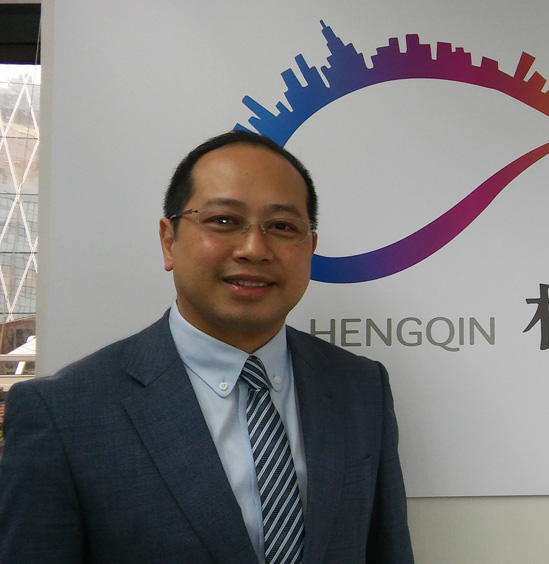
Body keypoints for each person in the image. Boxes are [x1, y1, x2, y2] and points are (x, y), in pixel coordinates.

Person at [0, 131, 414, 563]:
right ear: (169, 241)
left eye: (282, 227)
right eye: (224, 221)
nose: (254, 249)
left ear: (310, 248)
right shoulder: (63, 413)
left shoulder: (360, 387)